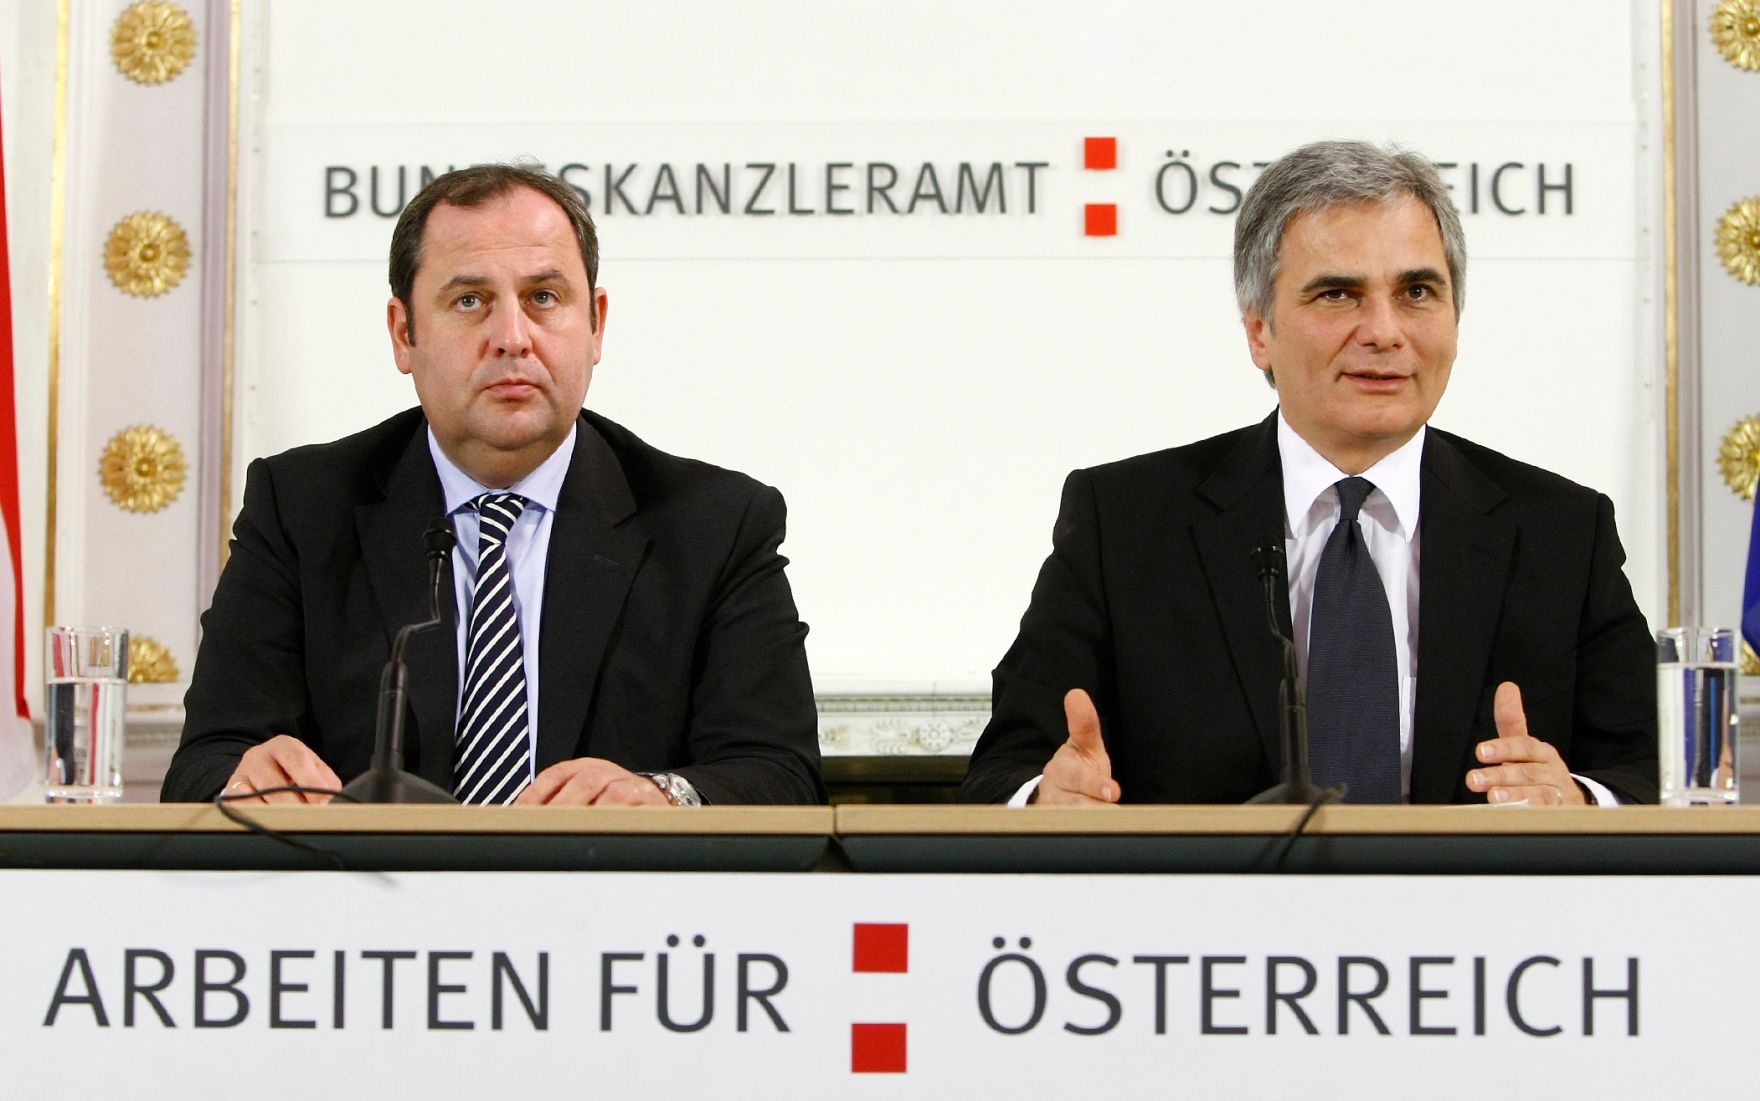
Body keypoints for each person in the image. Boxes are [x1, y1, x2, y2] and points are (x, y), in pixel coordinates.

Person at [960, 140, 1657, 808]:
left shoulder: (1561, 532)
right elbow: (1004, 770)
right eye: (1338, 295)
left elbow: (1650, 768)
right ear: (1259, 329)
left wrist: (1579, 798)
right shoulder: (1127, 524)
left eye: (1417, 291)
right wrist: (1050, 799)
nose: (1385, 330)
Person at [163, 163, 824, 806]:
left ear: (595, 323)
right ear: (404, 334)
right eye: (470, 300)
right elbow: (204, 762)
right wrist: (243, 779)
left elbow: (780, 775)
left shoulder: (713, 525)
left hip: (611, 905)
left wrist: (664, 794)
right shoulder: (303, 509)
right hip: (368, 905)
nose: (513, 337)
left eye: (544, 298)